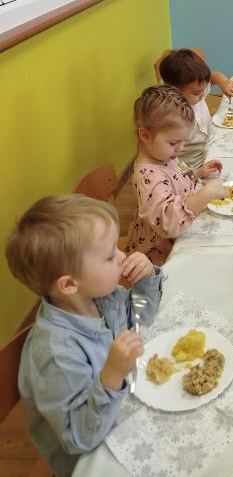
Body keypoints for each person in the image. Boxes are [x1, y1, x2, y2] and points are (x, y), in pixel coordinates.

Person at [5, 195, 164, 477]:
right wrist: (111, 375)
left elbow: (141, 317)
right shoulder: (55, 353)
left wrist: (147, 277)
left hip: (120, 403)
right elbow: (78, 438)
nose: (123, 256)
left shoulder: (101, 296)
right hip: (87, 456)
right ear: (68, 284)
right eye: (110, 256)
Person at [124, 85, 225, 265]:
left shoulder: (163, 156)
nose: (180, 149)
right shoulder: (147, 177)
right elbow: (169, 224)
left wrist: (197, 172)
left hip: (180, 234)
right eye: (173, 143)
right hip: (158, 256)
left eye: (183, 141)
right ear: (145, 135)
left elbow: (177, 177)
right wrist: (206, 194)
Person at [159, 48, 233, 169]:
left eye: (203, 90)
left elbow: (214, 76)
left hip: (210, 147)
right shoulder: (171, 116)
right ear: (174, 91)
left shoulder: (195, 90)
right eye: (196, 93)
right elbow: (166, 157)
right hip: (191, 165)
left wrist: (223, 82)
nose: (202, 95)